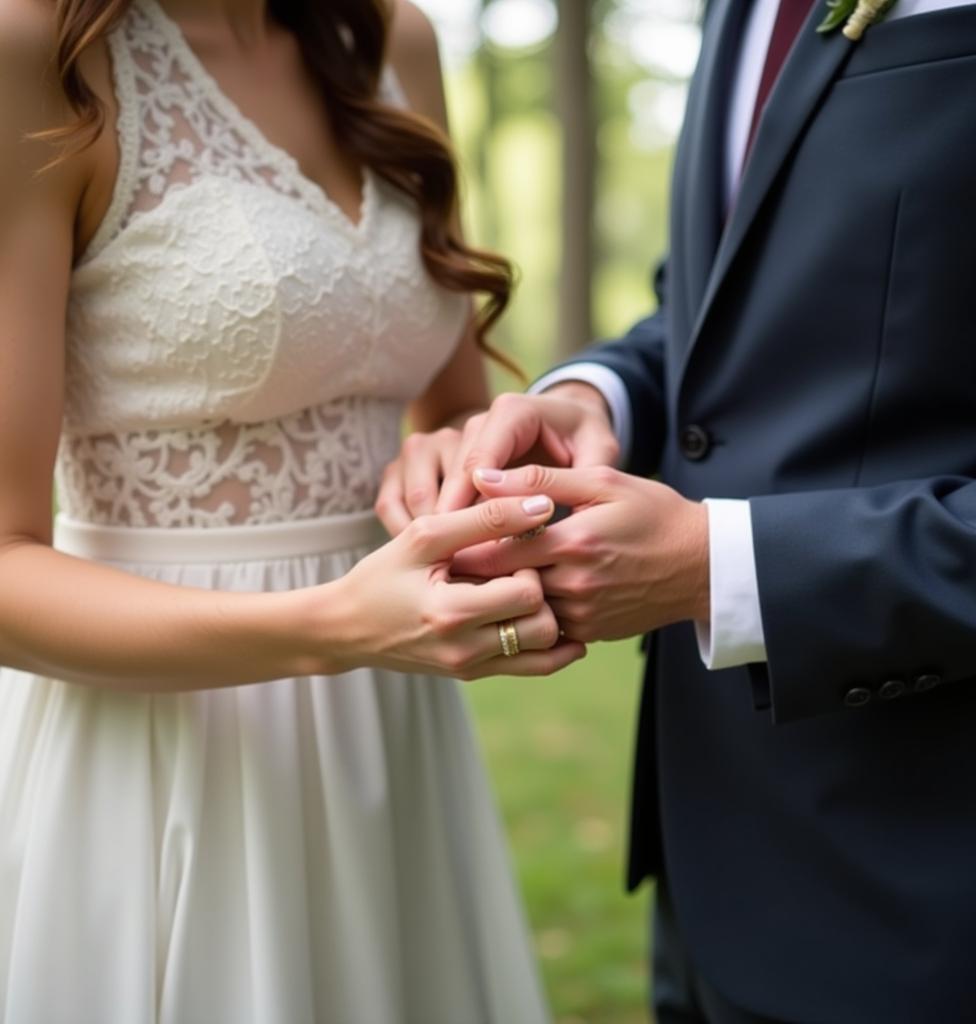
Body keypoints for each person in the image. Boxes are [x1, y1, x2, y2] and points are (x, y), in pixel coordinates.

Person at [383, 0, 976, 1020]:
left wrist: (724, 569)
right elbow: (718, 301)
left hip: (950, 895)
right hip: (709, 857)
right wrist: (587, 397)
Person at [0, 0, 585, 1019]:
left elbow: (442, 404)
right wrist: (334, 627)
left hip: (394, 723)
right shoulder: (39, 53)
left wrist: (458, 459)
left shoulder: (390, 37)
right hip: (163, 738)